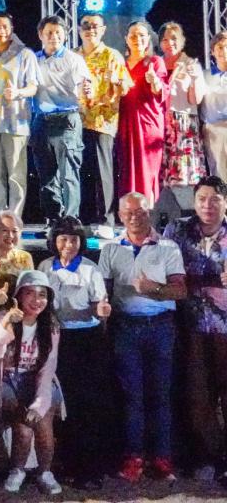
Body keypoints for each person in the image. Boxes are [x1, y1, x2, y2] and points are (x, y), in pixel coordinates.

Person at [98, 192, 186, 482]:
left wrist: (153, 289)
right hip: (125, 328)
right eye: (129, 212)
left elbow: (180, 291)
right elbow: (103, 292)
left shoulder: (168, 247)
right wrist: (103, 310)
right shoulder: (110, 248)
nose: (135, 217)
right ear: (120, 216)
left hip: (161, 327)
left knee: (161, 394)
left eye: (141, 211)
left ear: (150, 213)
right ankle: (133, 457)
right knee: (131, 395)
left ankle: (162, 458)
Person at [37, 215, 112, 490]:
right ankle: (65, 462)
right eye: (63, 239)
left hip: (86, 341)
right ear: (54, 241)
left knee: (86, 405)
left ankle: (90, 468)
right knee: (62, 404)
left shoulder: (90, 269)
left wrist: (100, 310)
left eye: (74, 240)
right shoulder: (45, 267)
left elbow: (99, 306)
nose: (69, 245)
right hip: (57, 340)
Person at [161, 176, 227, 483]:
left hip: (225, 325)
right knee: (198, 395)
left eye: (214, 199)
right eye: (201, 199)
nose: (207, 205)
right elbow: (162, 266)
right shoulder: (177, 230)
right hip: (190, 325)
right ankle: (208, 457)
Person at [0, 271, 64, 495]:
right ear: (19, 295)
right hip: (8, 379)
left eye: (42, 295)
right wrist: (6, 323)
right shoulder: (4, 317)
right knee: (23, 425)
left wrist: (40, 403)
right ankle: (17, 470)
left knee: (42, 422)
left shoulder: (50, 325)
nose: (36, 300)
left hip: (39, 379)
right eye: (30, 293)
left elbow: (48, 367)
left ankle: (44, 472)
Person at [0, 10, 38, 220]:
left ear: (11, 29)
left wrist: (18, 92)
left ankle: (14, 219)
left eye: (5, 27)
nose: (1, 31)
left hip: (16, 123)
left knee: (16, 176)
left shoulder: (25, 54)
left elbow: (33, 87)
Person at [31, 16, 90, 223]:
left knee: (68, 174)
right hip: (41, 120)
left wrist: (86, 91)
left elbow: (84, 86)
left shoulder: (74, 59)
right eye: (49, 32)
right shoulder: (33, 59)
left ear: (65, 35)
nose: (53, 37)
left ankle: (71, 221)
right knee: (46, 175)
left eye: (58, 32)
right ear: (40, 35)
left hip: (67, 119)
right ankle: (54, 221)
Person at [78, 12, 131, 232]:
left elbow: (125, 87)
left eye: (95, 26)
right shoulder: (73, 56)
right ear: (79, 30)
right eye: (86, 25)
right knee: (80, 171)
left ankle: (105, 220)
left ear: (103, 30)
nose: (90, 30)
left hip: (102, 120)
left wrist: (113, 86)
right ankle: (82, 219)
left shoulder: (112, 56)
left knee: (102, 172)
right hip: (76, 121)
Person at [118, 21, 169, 205]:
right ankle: (128, 212)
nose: (137, 39)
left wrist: (154, 80)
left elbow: (161, 90)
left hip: (148, 124)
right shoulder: (120, 64)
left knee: (147, 171)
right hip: (125, 124)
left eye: (141, 35)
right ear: (126, 39)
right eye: (133, 35)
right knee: (126, 169)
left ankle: (148, 212)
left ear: (148, 39)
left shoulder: (155, 62)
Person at [158, 22, 207, 187]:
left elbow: (195, 100)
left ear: (182, 41)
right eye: (165, 39)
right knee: (162, 177)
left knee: (184, 175)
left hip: (183, 124)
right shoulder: (156, 63)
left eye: (174, 38)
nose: (169, 43)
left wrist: (193, 79)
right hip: (160, 123)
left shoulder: (191, 64)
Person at [0, 209, 35, 291]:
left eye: (14, 231)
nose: (10, 236)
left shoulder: (25, 257)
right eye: (4, 230)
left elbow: (30, 287)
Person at [204, 31, 227, 175]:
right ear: (212, 51)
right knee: (219, 175)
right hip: (213, 131)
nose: (224, 50)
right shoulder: (204, 75)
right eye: (220, 47)